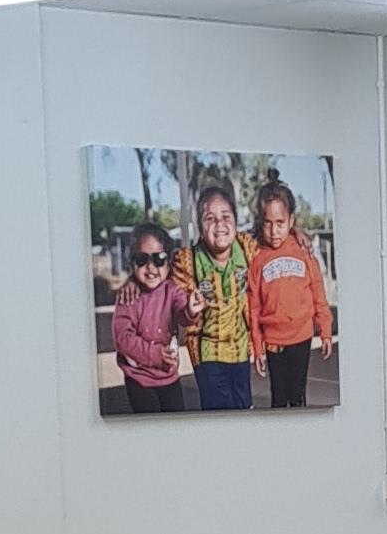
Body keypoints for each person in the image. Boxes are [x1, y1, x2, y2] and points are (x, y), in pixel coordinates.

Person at [250, 174, 332, 409]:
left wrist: (325, 330)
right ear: (260, 221)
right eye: (268, 223)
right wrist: (257, 346)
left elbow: (318, 292)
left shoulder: (303, 251)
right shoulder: (256, 257)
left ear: (291, 221)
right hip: (273, 341)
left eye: (280, 223)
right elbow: (253, 306)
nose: (274, 231)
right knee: (279, 397)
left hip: (301, 337)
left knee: (298, 396)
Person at [183, 176, 257, 411]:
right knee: (217, 414)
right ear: (200, 227)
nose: (219, 224)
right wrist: (188, 310)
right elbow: (171, 302)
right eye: (210, 218)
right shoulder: (187, 260)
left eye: (226, 216)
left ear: (236, 221)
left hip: (240, 350)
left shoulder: (247, 246)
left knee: (243, 409)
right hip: (208, 353)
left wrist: (297, 231)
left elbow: (276, 237)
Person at [106, 220, 190, 412]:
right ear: (132, 263)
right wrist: (154, 355)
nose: (151, 267)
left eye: (159, 258)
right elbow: (122, 338)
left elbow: (183, 314)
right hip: (139, 379)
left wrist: (191, 311)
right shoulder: (129, 296)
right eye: (142, 259)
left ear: (168, 263)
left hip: (169, 376)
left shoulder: (173, 291)